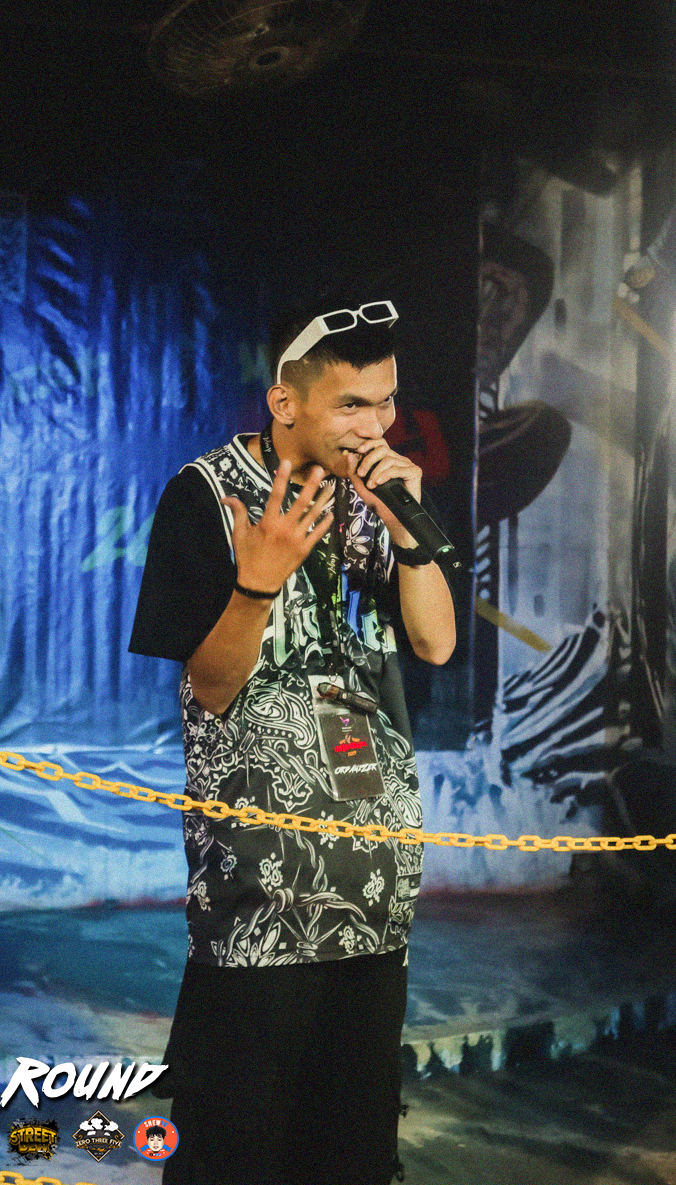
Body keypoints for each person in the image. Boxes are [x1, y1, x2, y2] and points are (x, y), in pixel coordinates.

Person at [129, 300, 456, 1185]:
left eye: (384, 402)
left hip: (375, 887)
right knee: (235, 1150)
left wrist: (406, 534)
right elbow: (211, 685)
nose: (374, 425)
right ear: (285, 403)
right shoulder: (206, 494)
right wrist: (255, 583)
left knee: (350, 1153)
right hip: (260, 900)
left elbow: (434, 643)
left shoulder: (381, 498)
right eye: (351, 404)